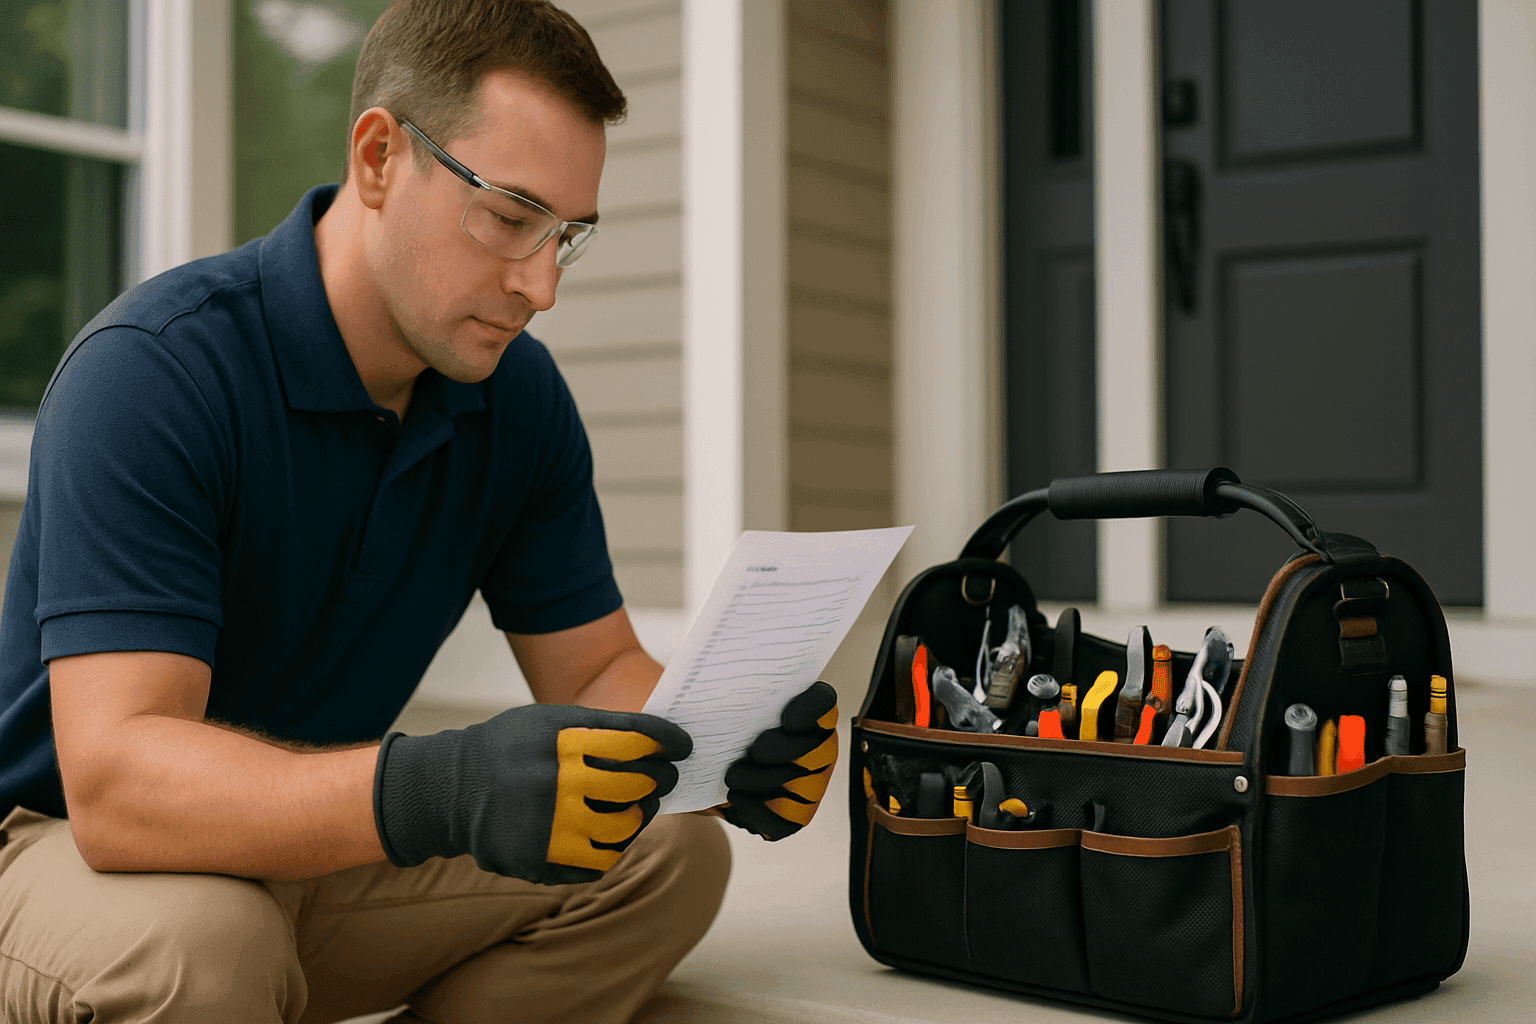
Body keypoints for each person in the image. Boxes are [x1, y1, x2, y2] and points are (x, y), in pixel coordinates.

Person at [0, 3, 838, 1022]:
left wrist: (723, 741)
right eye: (509, 215)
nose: (540, 287)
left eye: (566, 236)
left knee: (664, 851)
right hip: (61, 851)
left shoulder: (514, 400)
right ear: (379, 158)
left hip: (314, 852)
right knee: (208, 945)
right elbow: (118, 781)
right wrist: (442, 788)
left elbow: (595, 671)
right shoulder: (154, 374)